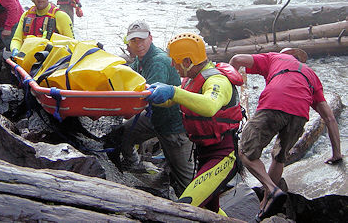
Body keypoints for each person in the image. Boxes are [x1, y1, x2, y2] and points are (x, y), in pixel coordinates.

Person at [229, 48, 342, 221]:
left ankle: (271, 189)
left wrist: (230, 92)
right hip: (300, 114)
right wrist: (336, 154)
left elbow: (236, 59)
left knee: (244, 152)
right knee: (279, 157)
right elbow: (330, 118)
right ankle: (267, 203)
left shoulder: (275, 57)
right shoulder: (311, 74)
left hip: (274, 103)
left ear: (285, 54)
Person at [146, 33, 243, 215]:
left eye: (175, 61)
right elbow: (173, 100)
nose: (172, 65)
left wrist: (173, 91)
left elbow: (209, 106)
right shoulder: (191, 79)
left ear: (188, 61)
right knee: (210, 210)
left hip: (222, 156)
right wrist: (150, 95)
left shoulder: (217, 81)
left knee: (185, 207)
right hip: (203, 154)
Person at [114, 21, 194, 198]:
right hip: (154, 118)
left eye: (142, 39)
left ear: (150, 38)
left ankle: (197, 209)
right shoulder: (141, 60)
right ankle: (134, 165)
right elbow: (130, 78)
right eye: (133, 40)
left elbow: (144, 97)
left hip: (175, 127)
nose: (139, 44)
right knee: (122, 134)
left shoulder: (158, 61)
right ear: (128, 43)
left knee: (185, 181)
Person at [10, 0, 74, 56]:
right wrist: (15, 49)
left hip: (50, 62)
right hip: (27, 60)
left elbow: (71, 45)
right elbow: (17, 39)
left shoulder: (60, 16)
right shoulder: (26, 15)